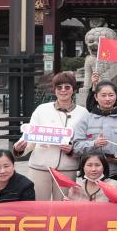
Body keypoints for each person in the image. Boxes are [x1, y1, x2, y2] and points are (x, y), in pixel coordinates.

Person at [13, 71, 86, 200]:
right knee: (38, 206)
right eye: (59, 87)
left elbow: (84, 141)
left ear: (73, 89)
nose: (63, 90)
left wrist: (73, 149)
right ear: (54, 90)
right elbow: (30, 134)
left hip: (67, 168)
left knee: (63, 207)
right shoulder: (42, 109)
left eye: (67, 87)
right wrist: (19, 148)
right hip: (40, 166)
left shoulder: (83, 113)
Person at [71, 81, 117, 182]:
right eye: (103, 95)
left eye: (111, 95)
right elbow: (76, 147)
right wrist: (94, 144)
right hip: (91, 173)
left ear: (116, 96)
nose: (107, 99)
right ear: (96, 97)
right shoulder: (86, 119)